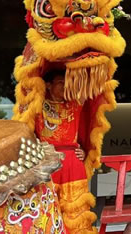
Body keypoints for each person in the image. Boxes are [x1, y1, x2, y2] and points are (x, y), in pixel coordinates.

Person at [35, 69, 97, 233]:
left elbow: (90, 84)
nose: (65, 86)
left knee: (76, 213)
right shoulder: (37, 105)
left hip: (72, 163)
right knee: (47, 210)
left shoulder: (75, 103)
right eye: (61, 83)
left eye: (67, 83)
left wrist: (83, 150)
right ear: (48, 85)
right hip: (47, 163)